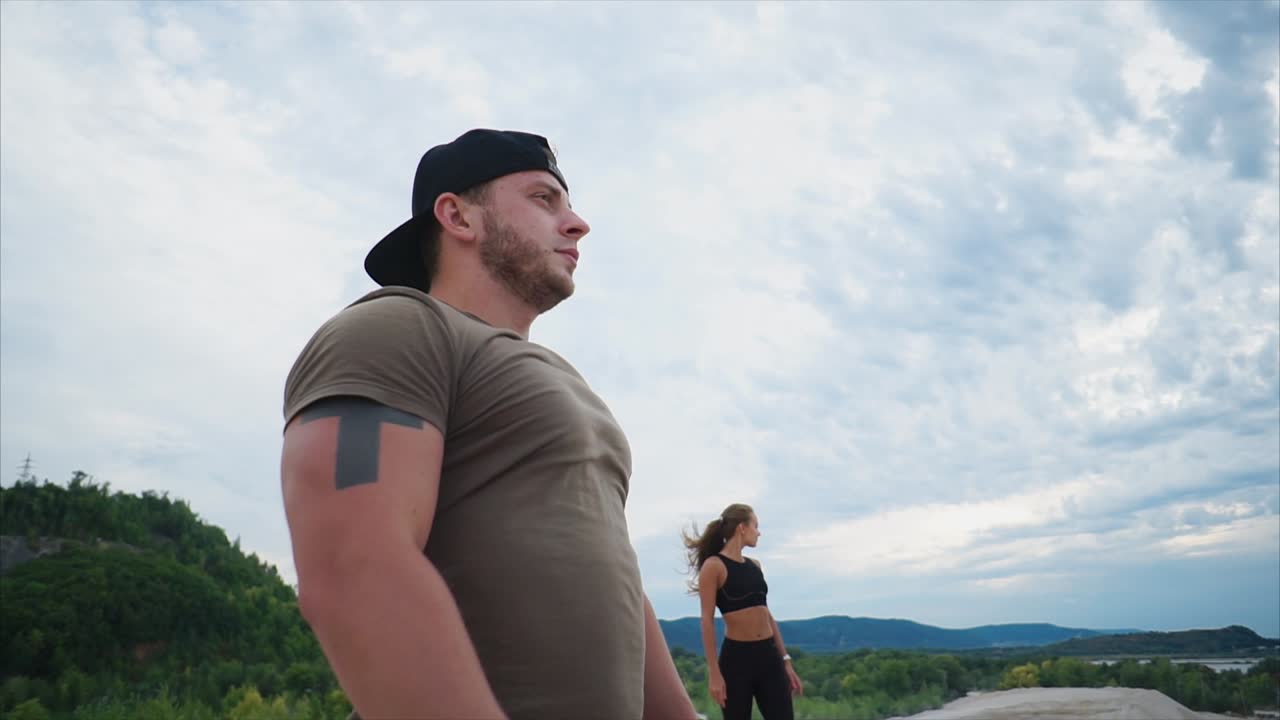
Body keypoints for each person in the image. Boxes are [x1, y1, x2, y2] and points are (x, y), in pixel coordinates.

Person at [279, 129, 697, 720]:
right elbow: (353, 569)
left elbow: (616, 581)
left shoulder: (564, 382)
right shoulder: (397, 327)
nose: (577, 223)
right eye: (543, 199)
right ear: (457, 216)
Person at [683, 503, 803, 720]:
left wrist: (785, 660)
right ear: (741, 527)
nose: (759, 532)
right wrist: (714, 674)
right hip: (736, 661)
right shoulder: (714, 566)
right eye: (755, 525)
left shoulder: (755, 566)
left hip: (769, 657)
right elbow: (707, 621)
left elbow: (766, 614)